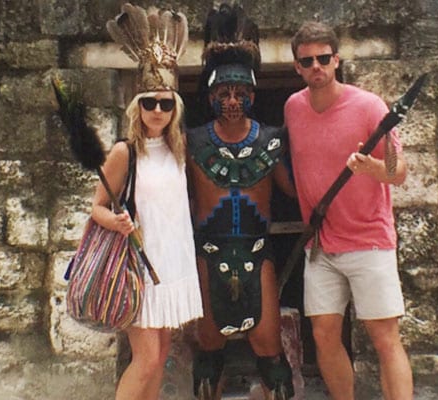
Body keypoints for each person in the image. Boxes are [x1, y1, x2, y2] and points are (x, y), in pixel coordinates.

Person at [283, 21, 414, 400]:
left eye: (323, 58)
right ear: (297, 67)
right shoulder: (293, 107)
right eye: (307, 61)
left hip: (368, 241)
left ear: (337, 59)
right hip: (321, 244)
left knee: (384, 337)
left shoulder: (369, 106)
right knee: (324, 335)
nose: (316, 67)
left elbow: (398, 171)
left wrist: (370, 167)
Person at [187, 4, 296, 400]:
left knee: (269, 350)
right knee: (209, 348)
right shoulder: (193, 142)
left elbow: (294, 191)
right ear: (211, 95)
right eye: (223, 93)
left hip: (256, 250)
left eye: (240, 93)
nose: (232, 101)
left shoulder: (270, 140)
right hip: (209, 252)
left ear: (253, 94)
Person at [94, 5, 201, 400]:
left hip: (170, 263)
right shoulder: (125, 152)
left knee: (160, 356)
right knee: (145, 357)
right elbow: (98, 207)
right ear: (136, 106)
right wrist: (118, 223)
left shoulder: (178, 149)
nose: (157, 110)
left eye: (165, 103)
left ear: (175, 108)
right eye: (150, 103)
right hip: (138, 263)